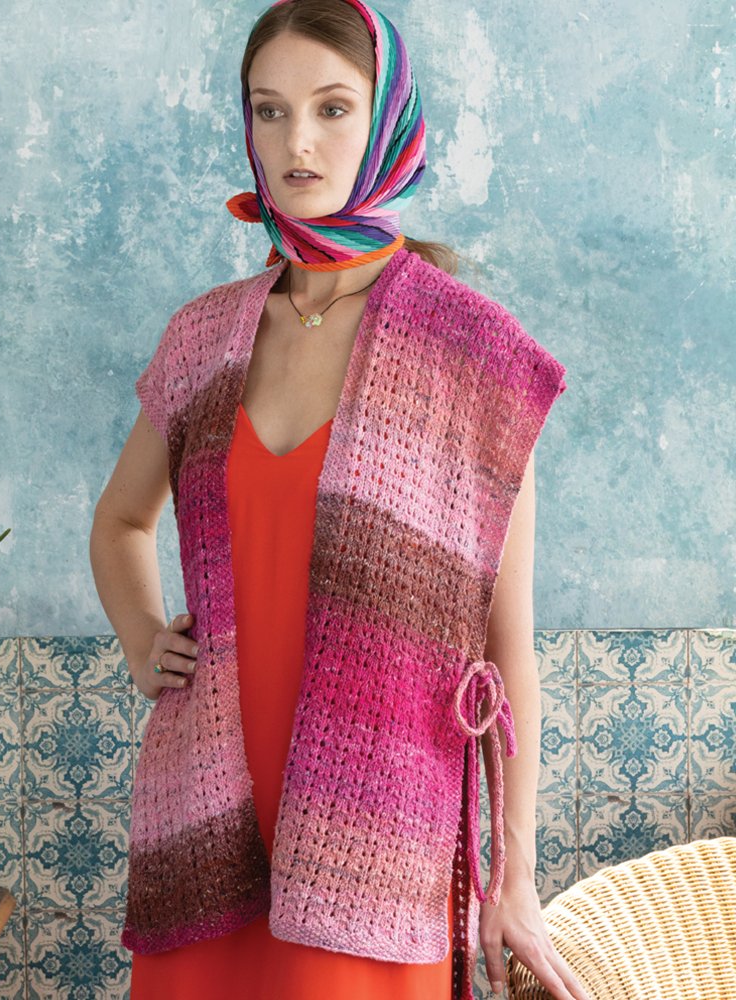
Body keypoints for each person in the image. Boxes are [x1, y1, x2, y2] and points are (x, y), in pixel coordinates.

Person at [89, 2, 590, 998]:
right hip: (207, 826)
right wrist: (144, 639)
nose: (296, 144)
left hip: (378, 844)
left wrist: (516, 880)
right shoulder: (203, 338)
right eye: (269, 111)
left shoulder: (470, 353)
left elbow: (508, 650)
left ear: (388, 121)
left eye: (330, 108)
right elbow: (120, 522)